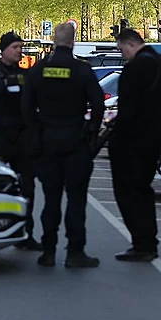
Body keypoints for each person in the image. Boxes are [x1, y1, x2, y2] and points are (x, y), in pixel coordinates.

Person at [22, 22, 105, 268]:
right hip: (75, 142)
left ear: (53, 41)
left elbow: (26, 106)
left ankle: (48, 251)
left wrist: (36, 131)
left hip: (47, 141)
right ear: (73, 42)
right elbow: (98, 104)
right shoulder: (82, 70)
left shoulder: (39, 70)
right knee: (76, 200)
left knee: (51, 200)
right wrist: (90, 131)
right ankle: (75, 252)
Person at [109, 28, 161, 262]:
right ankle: (149, 242)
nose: (123, 55)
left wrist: (115, 136)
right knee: (144, 191)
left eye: (121, 50)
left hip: (131, 142)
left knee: (127, 192)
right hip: (155, 138)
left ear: (129, 44)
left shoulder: (134, 69)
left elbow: (126, 110)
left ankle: (141, 243)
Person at [0, 31, 43, 251]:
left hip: (23, 139)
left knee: (27, 189)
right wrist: (2, 85)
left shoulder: (26, 75)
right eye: (15, 47)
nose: (19, 51)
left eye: (20, 47)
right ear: (4, 50)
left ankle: (25, 233)